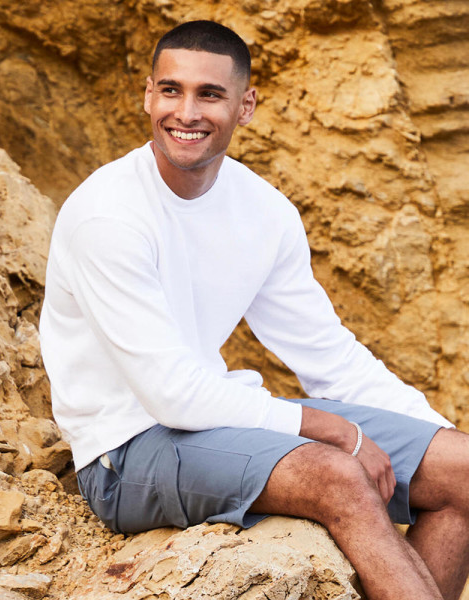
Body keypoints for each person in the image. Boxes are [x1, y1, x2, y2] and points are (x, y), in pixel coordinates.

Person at [39, 20, 469, 600]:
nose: (186, 112)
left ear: (245, 106)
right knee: (336, 475)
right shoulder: (107, 215)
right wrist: (334, 430)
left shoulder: (264, 211)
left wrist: (435, 434)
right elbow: (172, 395)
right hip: (125, 452)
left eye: (209, 94)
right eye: (171, 90)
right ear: (147, 95)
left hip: (215, 422)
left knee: (462, 472)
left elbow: (330, 357)